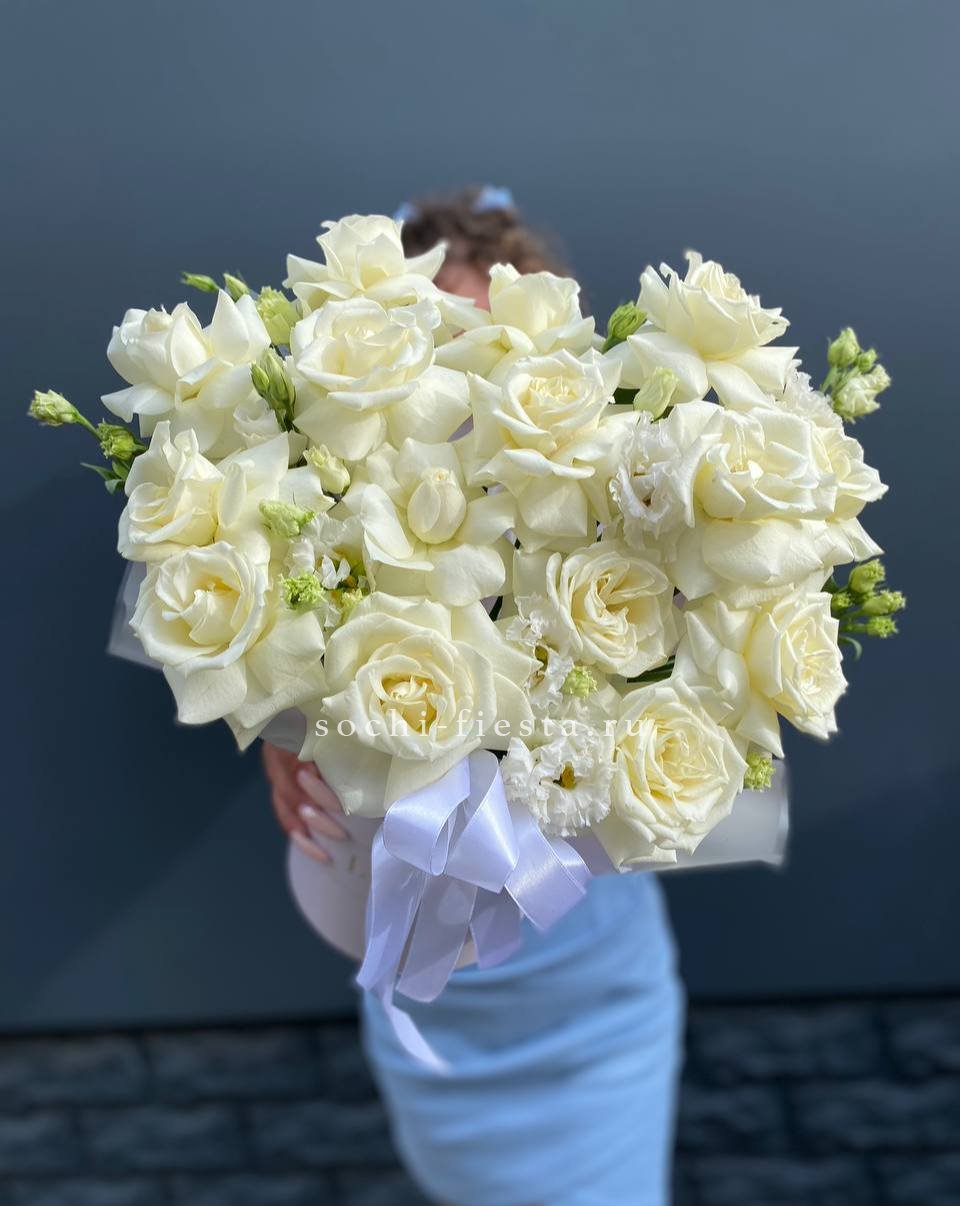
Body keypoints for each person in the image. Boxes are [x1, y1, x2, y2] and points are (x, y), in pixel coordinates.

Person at [261, 187, 684, 1206]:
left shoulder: (620, 509)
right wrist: (276, 718)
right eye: (440, 336)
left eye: (497, 343)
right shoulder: (323, 504)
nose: (473, 372)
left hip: (588, 980)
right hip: (427, 987)